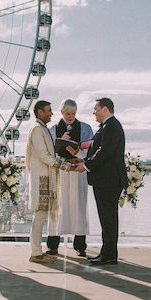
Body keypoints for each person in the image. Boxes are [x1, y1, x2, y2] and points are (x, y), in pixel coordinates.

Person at [69, 98, 126, 265]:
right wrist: (82, 162)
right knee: (106, 218)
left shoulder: (112, 127)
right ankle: (107, 253)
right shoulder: (108, 127)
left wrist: (86, 166)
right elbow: (99, 150)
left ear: (105, 109)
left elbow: (104, 153)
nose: (94, 112)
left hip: (108, 180)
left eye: (96, 109)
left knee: (108, 218)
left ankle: (109, 255)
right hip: (106, 180)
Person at [46, 98, 93, 258]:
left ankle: (80, 245)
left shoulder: (86, 129)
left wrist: (78, 156)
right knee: (57, 207)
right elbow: (48, 152)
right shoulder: (52, 130)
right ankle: (53, 245)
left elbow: (90, 150)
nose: (70, 116)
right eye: (67, 113)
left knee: (78, 206)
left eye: (73, 113)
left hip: (78, 171)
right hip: (60, 171)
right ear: (61, 112)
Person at [26, 100, 69, 264]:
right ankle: (35, 252)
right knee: (40, 215)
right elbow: (44, 156)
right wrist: (65, 166)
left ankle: (38, 250)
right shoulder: (37, 129)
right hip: (42, 179)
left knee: (42, 216)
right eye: (48, 111)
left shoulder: (41, 128)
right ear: (39, 112)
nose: (51, 113)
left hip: (45, 178)